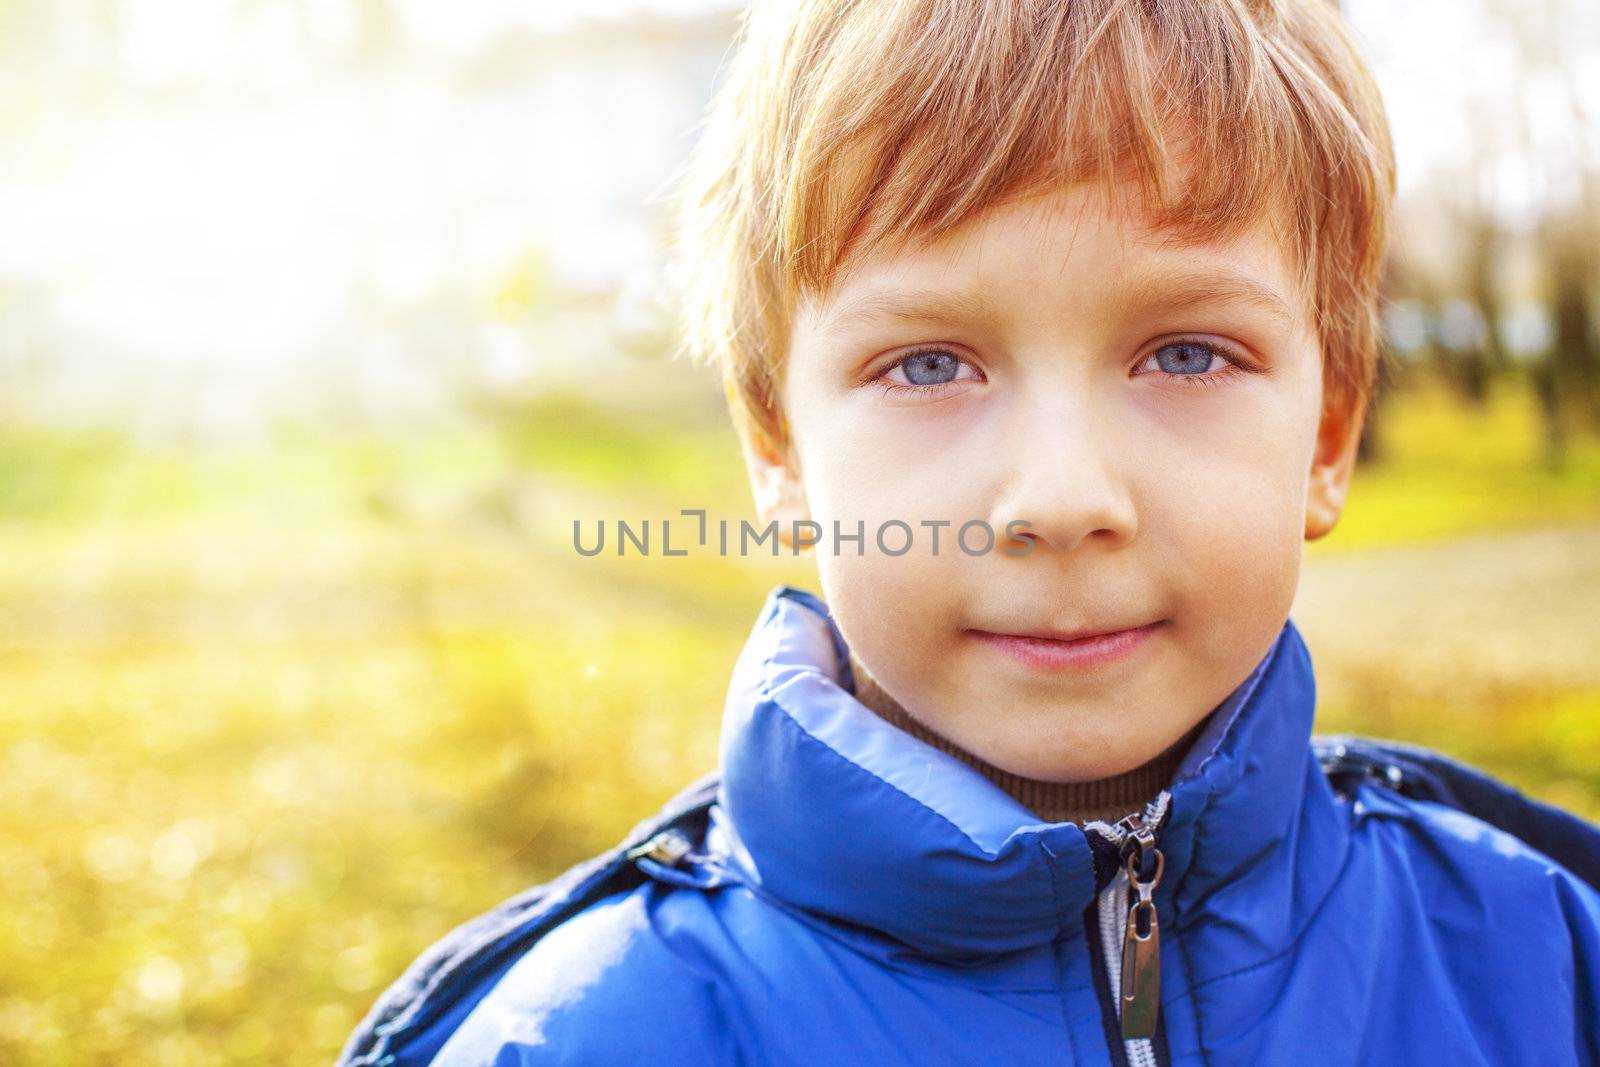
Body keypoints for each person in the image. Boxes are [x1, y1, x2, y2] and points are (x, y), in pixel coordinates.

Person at [339, 1, 1600, 1063]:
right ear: (778, 448)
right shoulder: (591, 1034)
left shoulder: (1541, 955)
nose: (1059, 497)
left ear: (1325, 437)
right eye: (929, 363)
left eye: (1184, 351)